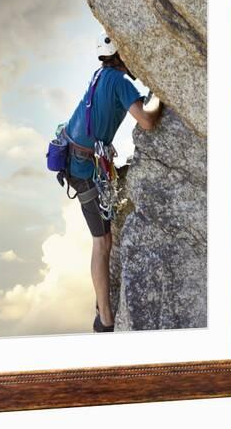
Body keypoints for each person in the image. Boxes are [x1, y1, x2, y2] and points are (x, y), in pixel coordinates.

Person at [63, 30, 163, 332]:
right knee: (103, 242)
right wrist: (160, 97)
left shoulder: (100, 75)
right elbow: (146, 121)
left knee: (103, 239)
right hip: (84, 168)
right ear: (121, 55)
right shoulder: (119, 81)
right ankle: (105, 319)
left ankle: (101, 304)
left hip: (76, 159)